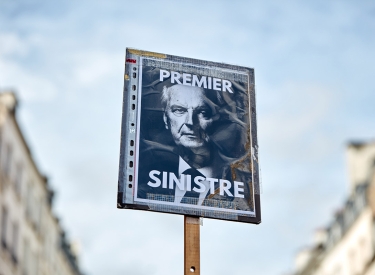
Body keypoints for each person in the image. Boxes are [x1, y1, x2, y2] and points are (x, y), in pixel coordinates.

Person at [136, 82, 252, 211]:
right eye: (179, 110)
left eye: (203, 112)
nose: (190, 122)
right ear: (165, 118)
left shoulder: (242, 184)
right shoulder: (145, 180)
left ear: (217, 119)